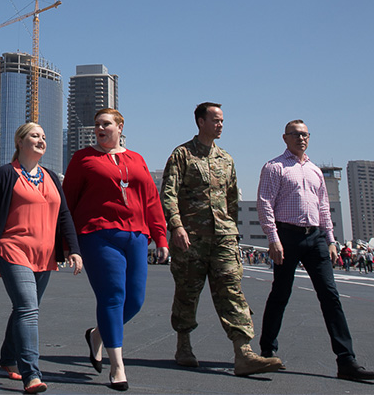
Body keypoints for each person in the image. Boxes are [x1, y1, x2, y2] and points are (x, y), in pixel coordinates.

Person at [160, 102, 282, 376]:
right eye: (215, 120)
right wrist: (176, 226)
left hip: (224, 237)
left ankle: (244, 353)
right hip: (191, 238)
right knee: (187, 292)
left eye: (222, 120)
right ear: (200, 122)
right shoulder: (182, 155)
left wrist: (232, 231)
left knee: (232, 290)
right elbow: (168, 192)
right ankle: (184, 345)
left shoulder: (226, 159)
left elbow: (232, 199)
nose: (220, 125)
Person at [257, 119, 374, 381]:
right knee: (281, 293)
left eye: (305, 134)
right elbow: (265, 204)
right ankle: (267, 352)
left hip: (316, 237)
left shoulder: (315, 171)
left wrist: (331, 239)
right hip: (287, 235)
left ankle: (346, 361)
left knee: (331, 296)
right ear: (285, 138)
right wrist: (273, 238)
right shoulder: (275, 167)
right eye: (295, 134)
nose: (301, 138)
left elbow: (323, 208)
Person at [62, 109, 168, 391]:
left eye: (106, 124)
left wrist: (161, 237)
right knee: (112, 297)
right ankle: (117, 367)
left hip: (136, 236)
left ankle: (98, 334)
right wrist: (67, 244)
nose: (100, 128)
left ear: (120, 127)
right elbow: (67, 203)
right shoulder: (82, 159)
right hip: (97, 235)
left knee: (134, 300)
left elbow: (152, 200)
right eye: (97, 124)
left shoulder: (137, 159)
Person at [0, 122, 83, 394]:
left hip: (45, 254)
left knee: (25, 308)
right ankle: (31, 374)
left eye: (44, 136)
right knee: (28, 309)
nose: (41, 140)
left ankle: (7, 358)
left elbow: (64, 215)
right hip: (13, 250)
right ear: (20, 142)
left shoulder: (50, 177)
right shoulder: (5, 175)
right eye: (35, 135)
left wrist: (73, 249)